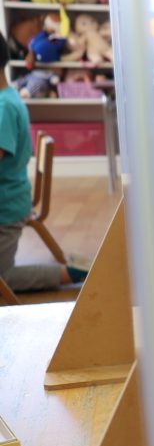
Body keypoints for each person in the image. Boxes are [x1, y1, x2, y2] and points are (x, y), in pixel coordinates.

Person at [0, 31, 87, 293]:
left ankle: (72, 273)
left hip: (5, 208)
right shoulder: (8, 98)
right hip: (10, 199)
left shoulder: (4, 108)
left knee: (3, 280)